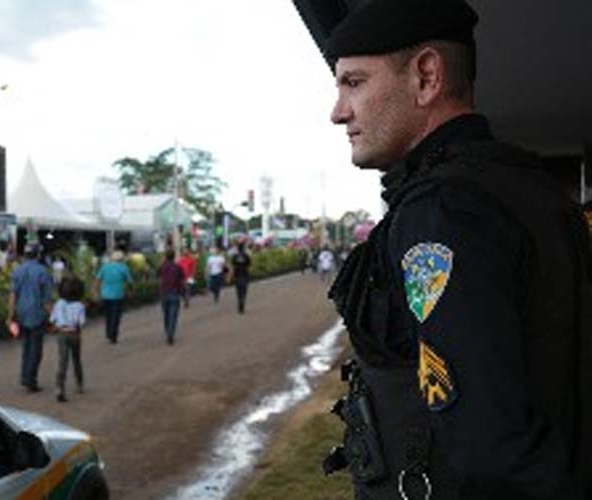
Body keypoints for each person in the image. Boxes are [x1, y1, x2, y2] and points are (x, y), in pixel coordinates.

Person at [293, 0, 592, 497]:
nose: (338, 112)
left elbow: (490, 447)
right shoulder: (525, 187)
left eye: (354, 83)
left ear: (426, 76)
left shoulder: (445, 211)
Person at [8, 242, 53, 392]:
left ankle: (25, 376)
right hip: (37, 315)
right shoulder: (43, 272)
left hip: (21, 314)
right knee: (35, 349)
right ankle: (30, 380)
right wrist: (53, 316)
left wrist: (10, 315)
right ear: (38, 254)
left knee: (26, 347)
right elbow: (46, 299)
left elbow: (13, 295)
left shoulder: (17, 270)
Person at [50, 274, 86, 403]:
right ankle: (79, 384)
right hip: (74, 334)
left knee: (62, 362)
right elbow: (81, 323)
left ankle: (60, 387)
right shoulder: (80, 306)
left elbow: (53, 320)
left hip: (62, 334)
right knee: (76, 359)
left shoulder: (58, 304)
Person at [93, 249, 132, 344]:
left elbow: (97, 280)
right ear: (121, 259)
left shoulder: (105, 267)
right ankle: (113, 335)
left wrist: (96, 292)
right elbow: (129, 281)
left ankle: (108, 333)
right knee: (116, 316)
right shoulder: (124, 267)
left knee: (108, 315)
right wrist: (130, 291)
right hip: (118, 295)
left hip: (105, 295)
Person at [157, 249, 185, 345]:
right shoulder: (178, 267)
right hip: (175, 293)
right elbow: (182, 282)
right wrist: (183, 294)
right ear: (174, 257)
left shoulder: (162, 267)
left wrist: (161, 262)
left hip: (164, 293)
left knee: (166, 315)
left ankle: (168, 332)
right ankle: (170, 334)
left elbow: (157, 275)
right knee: (173, 316)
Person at [227, 242, 252, 314]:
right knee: (244, 290)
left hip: (237, 274)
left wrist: (229, 276)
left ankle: (239, 302)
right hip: (245, 274)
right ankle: (242, 301)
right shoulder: (246, 256)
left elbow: (231, 267)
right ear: (244, 248)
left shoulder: (234, 256)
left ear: (237, 248)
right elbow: (249, 266)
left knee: (238, 291)